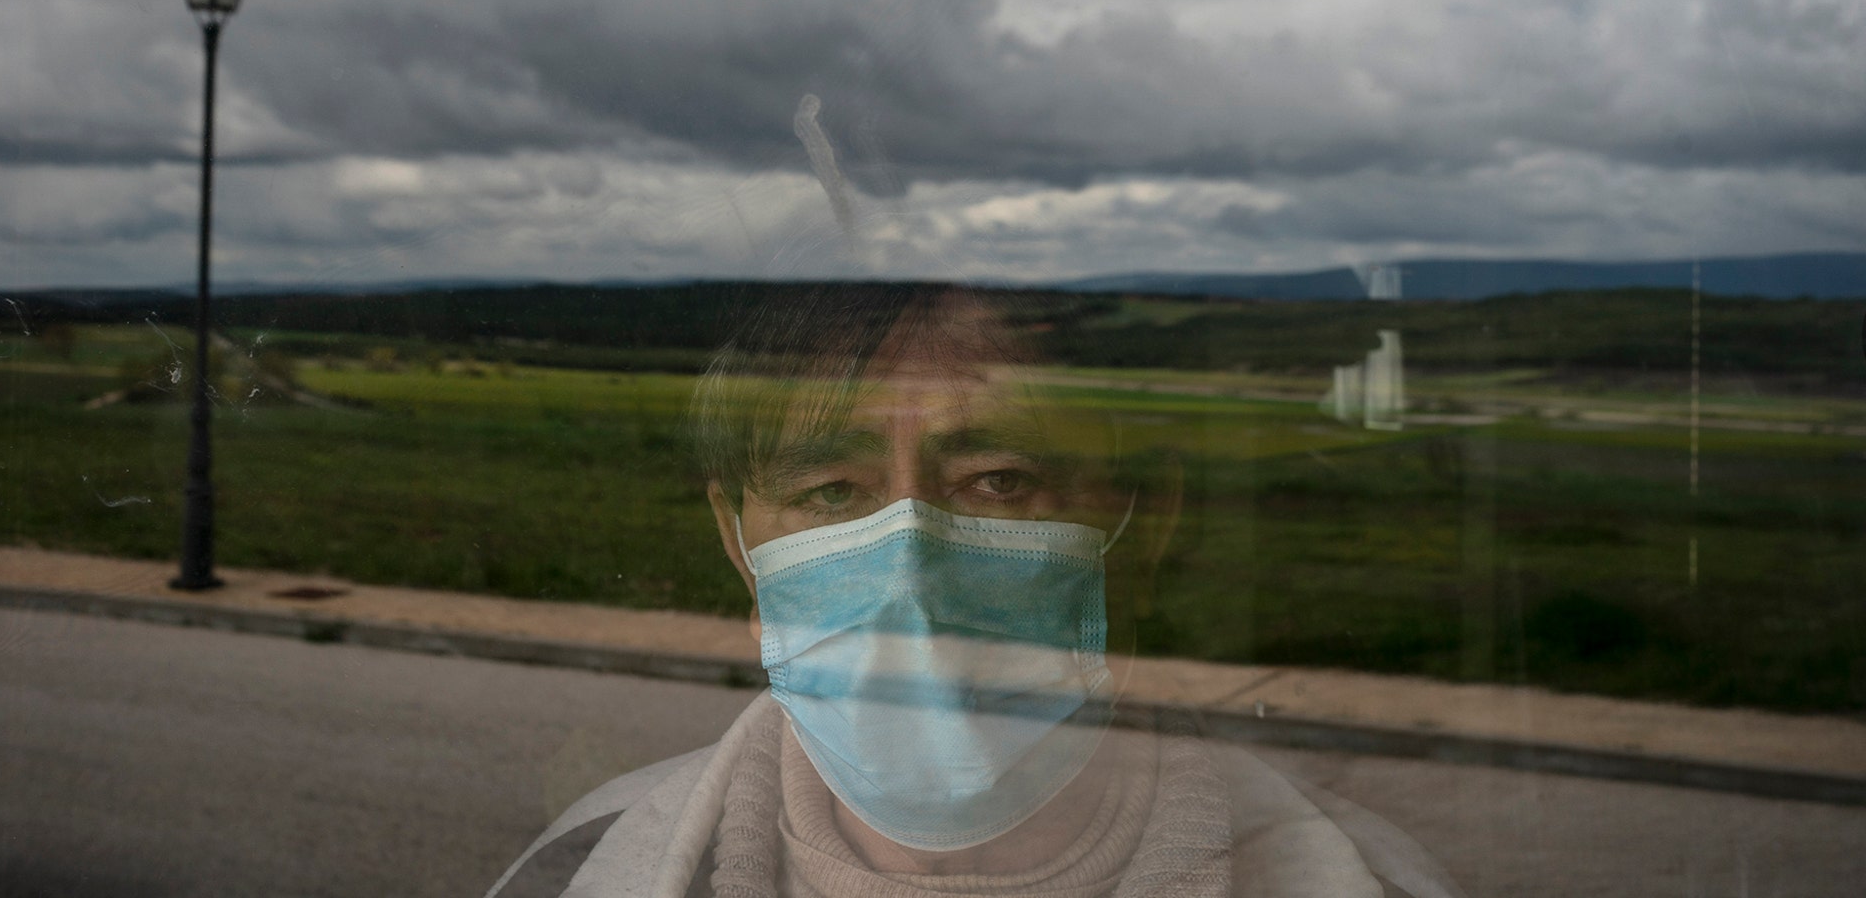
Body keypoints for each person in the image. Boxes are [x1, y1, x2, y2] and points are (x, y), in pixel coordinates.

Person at [488, 284, 1463, 898]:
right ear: (740, 547)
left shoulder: (1365, 881)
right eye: (833, 492)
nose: (913, 565)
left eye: (997, 479)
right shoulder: (579, 870)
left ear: (1143, 522)